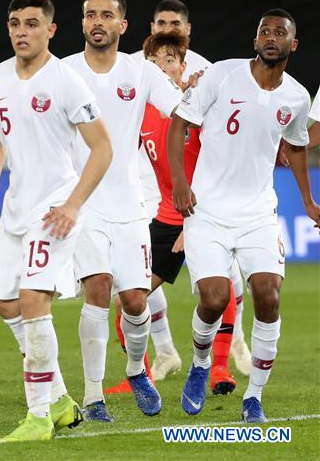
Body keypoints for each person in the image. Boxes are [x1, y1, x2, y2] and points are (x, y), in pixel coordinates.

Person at [0, 0, 112, 441]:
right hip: (16, 207)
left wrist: (72, 205)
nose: (22, 32)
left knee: (32, 301)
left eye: (32, 24)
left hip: (55, 208)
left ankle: (37, 417)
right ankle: (61, 400)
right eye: (15, 24)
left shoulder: (66, 82)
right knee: (6, 304)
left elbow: (103, 148)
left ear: (51, 30)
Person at [171, 9, 319, 423]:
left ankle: (254, 396)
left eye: (280, 33)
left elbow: (298, 146)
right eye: (264, 32)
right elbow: (178, 122)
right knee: (215, 300)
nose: (271, 38)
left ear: (293, 45)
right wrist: (180, 183)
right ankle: (201, 364)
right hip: (208, 211)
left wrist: (308, 202)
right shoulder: (221, 75)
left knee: (269, 297)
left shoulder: (296, 96)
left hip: (258, 214)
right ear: (255, 41)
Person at [64, 0, 182, 421]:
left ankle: (136, 369)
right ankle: (93, 397)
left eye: (106, 15)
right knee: (97, 292)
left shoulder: (141, 72)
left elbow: (180, 111)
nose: (97, 21)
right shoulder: (64, 73)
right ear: (81, 23)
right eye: (90, 14)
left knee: (134, 299)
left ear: (123, 25)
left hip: (131, 205)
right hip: (84, 205)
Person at [108, 32, 242, 398]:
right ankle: (142, 374)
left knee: (218, 291)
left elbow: (224, 158)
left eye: (169, 61)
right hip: (167, 217)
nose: (161, 68)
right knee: (126, 299)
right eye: (153, 63)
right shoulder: (143, 112)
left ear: (183, 66)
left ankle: (218, 368)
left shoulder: (201, 105)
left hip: (207, 214)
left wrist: (197, 222)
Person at [130, 0, 251, 379]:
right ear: (150, 27)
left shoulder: (205, 76)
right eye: (162, 21)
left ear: (187, 32)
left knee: (220, 282)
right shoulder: (136, 71)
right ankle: (158, 357)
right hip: (154, 194)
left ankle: (226, 353)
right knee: (130, 287)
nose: (170, 28)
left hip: (203, 201)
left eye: (176, 23)